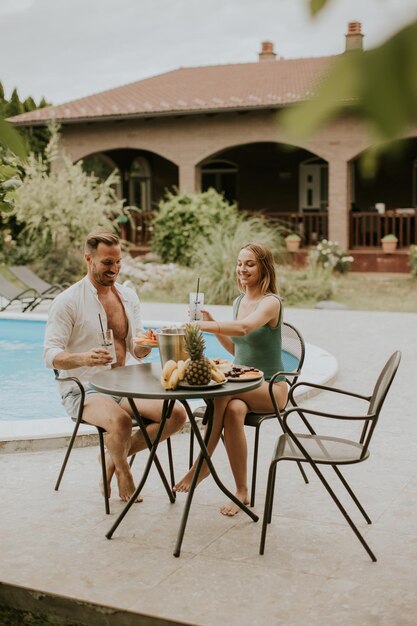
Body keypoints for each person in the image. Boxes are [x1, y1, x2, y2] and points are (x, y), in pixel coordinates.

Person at [44, 230, 186, 502]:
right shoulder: (67, 301)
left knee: (176, 414)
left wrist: (149, 343)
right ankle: (124, 473)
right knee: (120, 423)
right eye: (108, 263)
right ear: (89, 259)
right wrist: (84, 358)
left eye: (118, 261)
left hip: (125, 383)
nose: (115, 269)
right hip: (85, 389)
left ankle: (112, 457)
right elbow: (50, 354)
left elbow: (136, 347)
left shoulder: (128, 296)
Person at [174, 242, 288, 516]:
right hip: (245, 385)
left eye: (250, 264)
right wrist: (214, 322)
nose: (242, 269)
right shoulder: (239, 302)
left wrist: (202, 325)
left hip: (272, 387)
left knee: (221, 391)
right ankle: (242, 491)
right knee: (234, 411)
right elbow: (238, 348)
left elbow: (245, 327)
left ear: (264, 267)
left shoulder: (271, 302)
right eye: (239, 263)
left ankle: (201, 465)